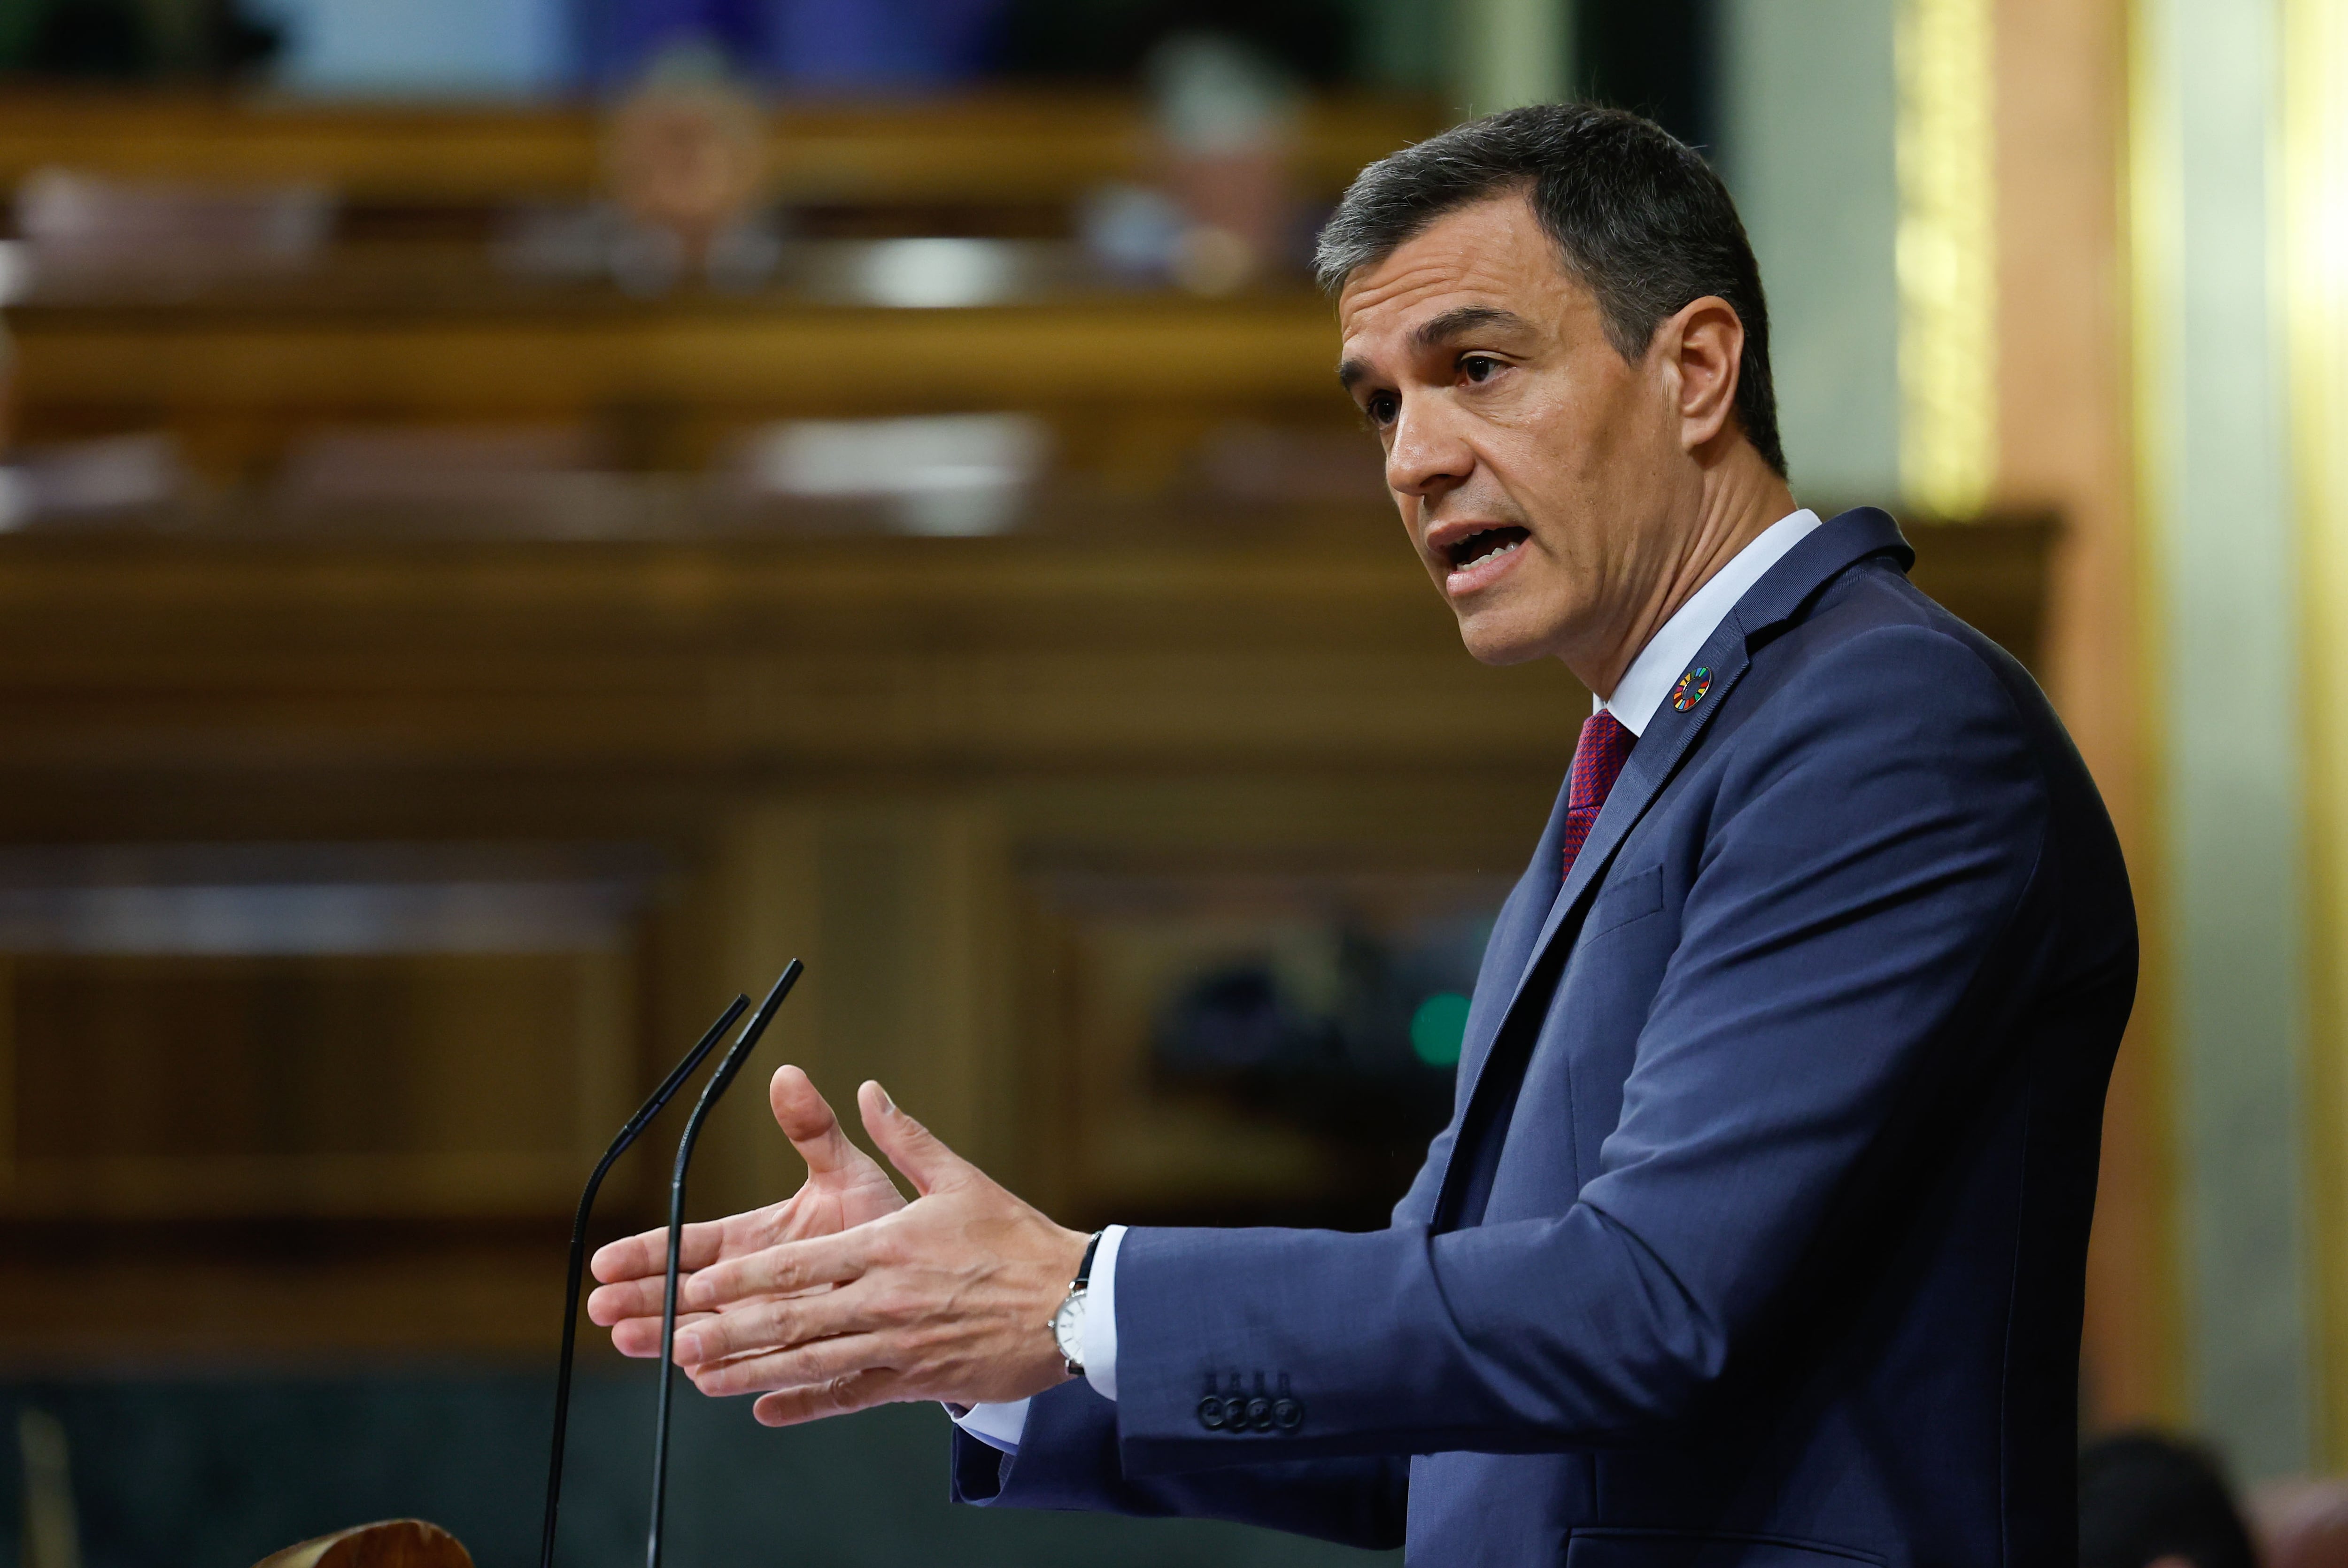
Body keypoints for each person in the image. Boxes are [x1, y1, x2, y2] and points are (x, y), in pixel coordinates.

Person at [587, 103, 2138, 1565]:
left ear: (1697, 370)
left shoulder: (1885, 729)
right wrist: (981, 1341)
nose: (1412, 457)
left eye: (1476, 367)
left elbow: (1649, 1300)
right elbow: (1432, 1414)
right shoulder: (1645, 761)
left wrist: (1075, 1290)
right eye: (1383, 402)